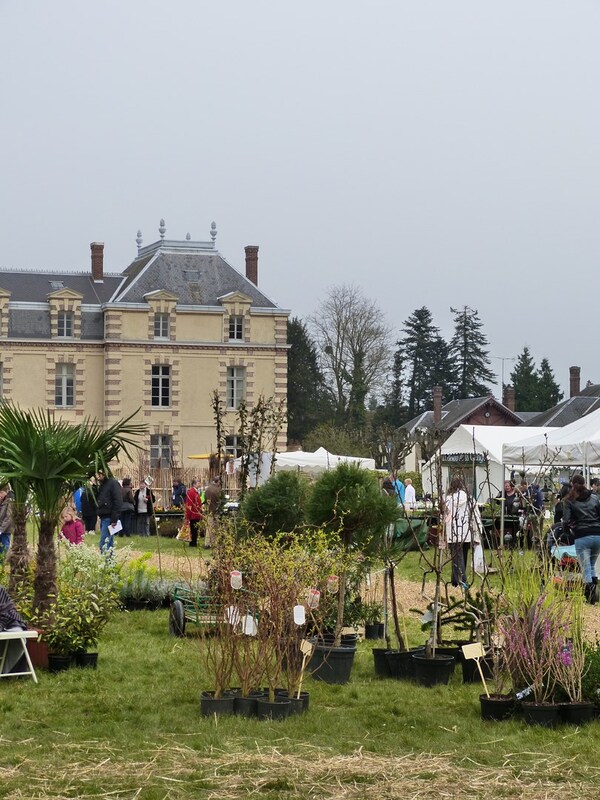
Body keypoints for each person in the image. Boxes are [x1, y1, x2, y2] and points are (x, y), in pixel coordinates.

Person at [563, 474, 600, 604]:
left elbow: (566, 522)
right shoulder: (595, 498)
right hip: (597, 535)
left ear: (572, 484)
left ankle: (590, 598)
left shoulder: (569, 501)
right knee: (591, 565)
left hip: (582, 535)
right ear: (585, 483)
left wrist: (570, 533)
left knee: (585, 568)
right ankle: (595, 595)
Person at [442, 477, 482, 589]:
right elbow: (476, 516)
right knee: (463, 555)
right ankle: (455, 580)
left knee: (456, 558)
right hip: (466, 532)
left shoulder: (447, 500)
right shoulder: (470, 499)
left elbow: (445, 517)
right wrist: (477, 532)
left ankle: (461, 581)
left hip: (453, 532)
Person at [95, 469, 122, 552]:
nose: (98, 476)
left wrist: (114, 518)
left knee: (104, 544)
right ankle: (110, 562)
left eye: (100, 474)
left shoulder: (112, 483)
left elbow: (118, 501)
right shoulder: (103, 485)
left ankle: (105, 562)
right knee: (109, 543)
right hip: (104, 516)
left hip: (109, 517)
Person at [203, 476, 222, 549]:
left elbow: (205, 499)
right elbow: (219, 500)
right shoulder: (218, 490)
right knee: (216, 528)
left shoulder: (207, 489)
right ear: (218, 481)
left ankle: (207, 543)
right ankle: (214, 543)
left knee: (209, 528)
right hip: (216, 511)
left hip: (209, 511)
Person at [184, 478, 203, 547]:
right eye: (198, 483)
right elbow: (189, 504)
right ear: (194, 484)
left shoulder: (196, 492)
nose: (199, 484)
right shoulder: (191, 492)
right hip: (193, 514)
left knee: (195, 529)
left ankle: (194, 542)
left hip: (196, 514)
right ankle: (192, 543)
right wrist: (188, 516)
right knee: (193, 530)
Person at [0, 484, 13, 557]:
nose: (0, 494)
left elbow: (9, 517)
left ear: (6, 492)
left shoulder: (10, 501)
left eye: (1, 493)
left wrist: (1, 530)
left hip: (5, 530)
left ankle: (1, 565)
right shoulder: (2, 500)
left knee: (4, 547)